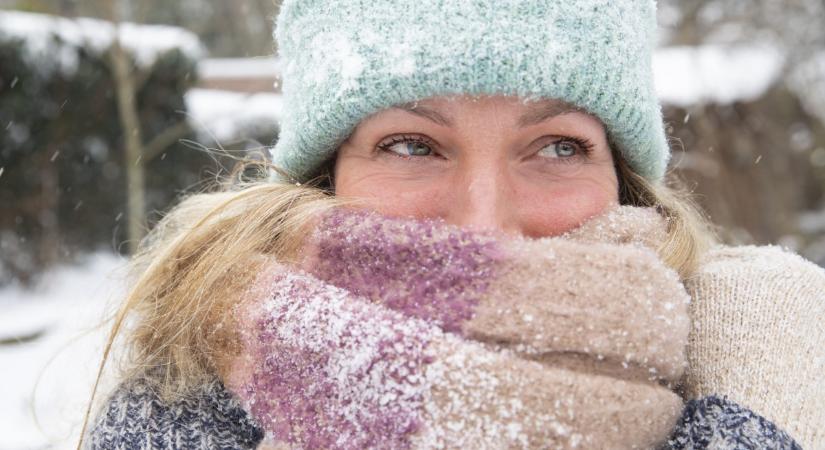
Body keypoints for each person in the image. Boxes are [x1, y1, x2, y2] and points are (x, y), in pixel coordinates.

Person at [83, 0, 825, 449]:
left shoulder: (763, 347)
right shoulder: (188, 409)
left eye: (558, 146)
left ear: (624, 181)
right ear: (322, 177)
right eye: (411, 145)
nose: (483, 222)